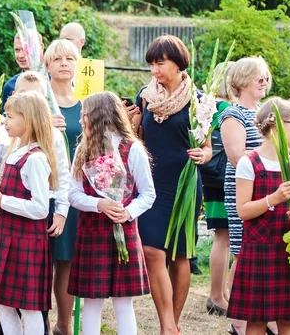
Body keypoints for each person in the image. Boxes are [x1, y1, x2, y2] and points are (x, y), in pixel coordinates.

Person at [126, 35, 211, 335]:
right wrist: (130, 123)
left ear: (178, 63)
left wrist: (204, 153)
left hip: (184, 184)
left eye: (160, 63)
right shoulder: (145, 96)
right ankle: (166, 324)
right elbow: (137, 138)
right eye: (151, 64)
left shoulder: (199, 100)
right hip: (151, 183)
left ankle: (172, 325)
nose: (155, 71)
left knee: (180, 255)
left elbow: (209, 147)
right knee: (151, 250)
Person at [68, 92, 155, 335]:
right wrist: (99, 204)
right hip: (91, 233)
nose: (82, 120)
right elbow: (72, 194)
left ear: (99, 117)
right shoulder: (82, 150)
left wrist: (127, 212)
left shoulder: (133, 149)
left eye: (85, 115)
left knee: (123, 301)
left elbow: (148, 194)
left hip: (124, 233)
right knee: (91, 301)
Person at [227, 98, 290, 335]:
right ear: (279, 125)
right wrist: (272, 199)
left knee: (289, 322)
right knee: (256, 321)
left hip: (289, 253)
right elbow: (242, 210)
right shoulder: (249, 163)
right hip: (259, 252)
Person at [0, 92, 58, 335]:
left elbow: (40, 209)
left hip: (26, 242)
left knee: (30, 307)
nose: (4, 121)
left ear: (29, 119)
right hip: (8, 237)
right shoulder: (16, 152)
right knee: (3, 303)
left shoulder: (35, 159)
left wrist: (1, 199)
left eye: (10, 116)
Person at [218, 57, 271, 334]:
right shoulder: (232, 115)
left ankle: (269, 319)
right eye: (257, 77)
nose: (264, 81)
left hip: (269, 191)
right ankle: (238, 321)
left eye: (265, 76)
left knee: (265, 251)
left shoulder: (265, 112)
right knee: (242, 251)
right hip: (244, 189)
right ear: (240, 82)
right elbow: (237, 157)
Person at [40, 39, 84, 335]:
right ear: (47, 66)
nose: (64, 63)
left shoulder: (85, 104)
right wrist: (45, 126)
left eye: (69, 58)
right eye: (57, 59)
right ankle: (38, 323)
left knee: (66, 260)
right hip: (41, 191)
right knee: (41, 262)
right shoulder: (39, 102)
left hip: (73, 192)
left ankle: (64, 325)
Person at [201, 63, 232, 317]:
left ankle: (220, 293)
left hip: (210, 176)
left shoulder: (207, 106)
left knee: (221, 236)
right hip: (224, 177)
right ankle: (216, 294)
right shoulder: (226, 110)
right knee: (224, 236)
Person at [0, 31, 35, 115]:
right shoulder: (10, 85)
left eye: (26, 49)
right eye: (17, 50)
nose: (21, 55)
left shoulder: (51, 81)